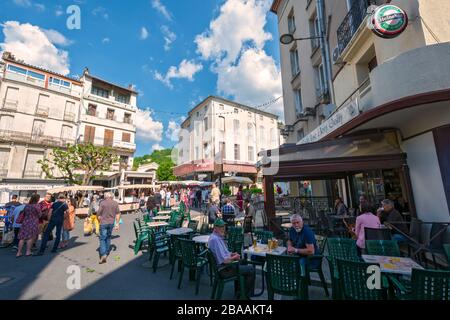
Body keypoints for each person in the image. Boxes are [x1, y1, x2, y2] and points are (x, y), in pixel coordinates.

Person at [208, 219, 255, 298]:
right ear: (215, 228)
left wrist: (232, 254)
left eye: (223, 226)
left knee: (243, 262)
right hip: (224, 270)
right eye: (220, 227)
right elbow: (225, 261)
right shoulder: (215, 240)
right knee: (251, 269)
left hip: (222, 268)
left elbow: (223, 254)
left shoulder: (215, 237)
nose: (223, 228)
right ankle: (244, 296)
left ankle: (239, 292)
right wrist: (234, 257)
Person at [97, 192, 121, 264]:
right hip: (111, 223)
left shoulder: (102, 203)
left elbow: (98, 213)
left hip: (103, 223)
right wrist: (117, 224)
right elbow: (118, 213)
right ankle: (107, 251)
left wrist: (99, 218)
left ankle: (103, 254)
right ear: (112, 196)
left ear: (105, 196)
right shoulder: (115, 203)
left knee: (102, 238)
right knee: (108, 237)